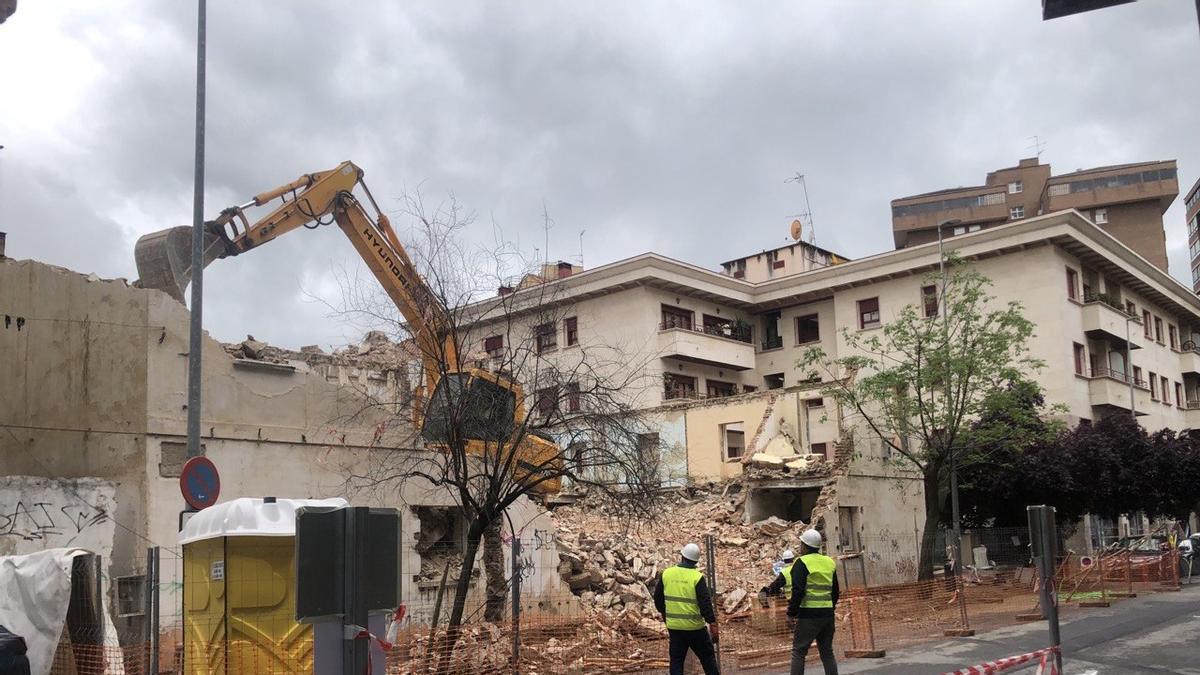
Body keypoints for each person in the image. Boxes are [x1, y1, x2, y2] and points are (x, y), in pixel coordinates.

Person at [654, 542, 721, 675]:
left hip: (675, 628)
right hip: (695, 628)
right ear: (696, 561)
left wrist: (665, 615)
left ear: (682, 556)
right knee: (708, 659)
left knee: (677, 662)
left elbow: (658, 599)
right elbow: (705, 604)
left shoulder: (666, 574)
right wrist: (712, 623)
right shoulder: (697, 577)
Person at [787, 529, 839, 675]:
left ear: (804, 546)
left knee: (798, 652)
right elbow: (835, 591)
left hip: (808, 615)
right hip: (827, 615)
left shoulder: (802, 562)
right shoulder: (829, 562)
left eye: (801, 544)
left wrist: (791, 613)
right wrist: (830, 608)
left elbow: (798, 591)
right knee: (827, 652)